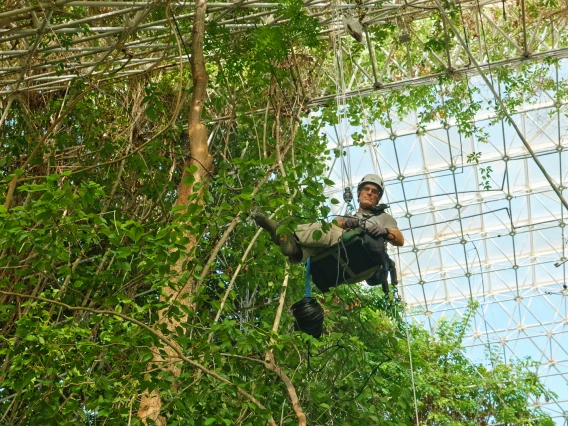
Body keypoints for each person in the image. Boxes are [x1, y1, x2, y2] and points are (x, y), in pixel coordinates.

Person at [253, 174, 404, 267]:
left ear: (378, 198)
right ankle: (292, 246)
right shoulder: (349, 215)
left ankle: (286, 232)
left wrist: (385, 232)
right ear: (359, 193)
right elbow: (334, 224)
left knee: (328, 232)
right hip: (340, 248)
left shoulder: (384, 217)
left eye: (374, 191)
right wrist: (346, 223)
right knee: (322, 237)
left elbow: (400, 239)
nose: (369, 193)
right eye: (366, 189)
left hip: (365, 252)